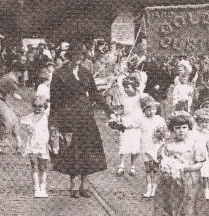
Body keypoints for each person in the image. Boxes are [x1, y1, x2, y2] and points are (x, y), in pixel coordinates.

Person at [49, 44, 114, 198]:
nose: (79, 57)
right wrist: (54, 122)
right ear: (69, 55)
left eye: (82, 54)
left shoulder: (85, 72)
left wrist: (109, 111)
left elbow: (95, 94)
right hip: (69, 115)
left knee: (87, 150)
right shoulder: (59, 74)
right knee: (72, 150)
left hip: (85, 116)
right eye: (76, 54)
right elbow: (55, 100)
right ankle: (72, 185)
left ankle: (84, 184)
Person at [153, 111, 206, 216]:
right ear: (172, 130)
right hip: (173, 181)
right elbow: (162, 161)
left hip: (190, 180)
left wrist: (186, 168)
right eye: (177, 128)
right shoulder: (168, 146)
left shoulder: (194, 144)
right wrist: (169, 168)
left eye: (184, 127)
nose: (181, 131)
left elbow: (200, 163)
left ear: (189, 128)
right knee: (175, 206)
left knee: (189, 207)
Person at [0, 61, 25, 154]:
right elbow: (15, 93)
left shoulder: (11, 76)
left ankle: (18, 142)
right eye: (22, 71)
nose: (22, 74)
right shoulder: (11, 78)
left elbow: (11, 91)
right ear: (18, 70)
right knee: (7, 121)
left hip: (1, 97)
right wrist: (17, 96)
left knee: (14, 118)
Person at [21, 96, 51, 198]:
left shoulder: (47, 118)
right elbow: (27, 126)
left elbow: (50, 130)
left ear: (45, 108)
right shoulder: (30, 117)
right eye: (35, 107)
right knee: (34, 166)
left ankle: (43, 188)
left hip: (43, 145)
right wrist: (29, 128)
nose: (37, 110)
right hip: (33, 144)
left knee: (43, 167)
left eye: (40, 107)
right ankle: (36, 188)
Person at [115, 76, 143, 177]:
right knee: (124, 143)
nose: (126, 89)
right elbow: (123, 109)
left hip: (136, 122)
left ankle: (133, 166)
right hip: (126, 121)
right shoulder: (123, 98)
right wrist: (117, 116)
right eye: (125, 87)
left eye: (128, 87)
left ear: (134, 87)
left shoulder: (139, 97)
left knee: (135, 146)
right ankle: (121, 165)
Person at [139, 95, 166, 198]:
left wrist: (162, 139)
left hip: (156, 147)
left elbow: (165, 132)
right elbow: (131, 125)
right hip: (145, 146)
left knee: (155, 168)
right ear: (144, 110)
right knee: (147, 169)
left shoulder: (160, 120)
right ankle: (148, 188)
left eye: (153, 109)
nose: (151, 112)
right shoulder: (141, 120)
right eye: (148, 110)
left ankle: (154, 189)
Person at [192, 108, 209, 200]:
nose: (204, 124)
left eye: (206, 122)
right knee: (194, 174)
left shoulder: (207, 133)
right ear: (197, 121)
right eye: (201, 121)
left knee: (204, 175)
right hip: (193, 154)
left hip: (203, 156)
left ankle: (206, 191)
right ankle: (194, 191)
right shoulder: (192, 132)